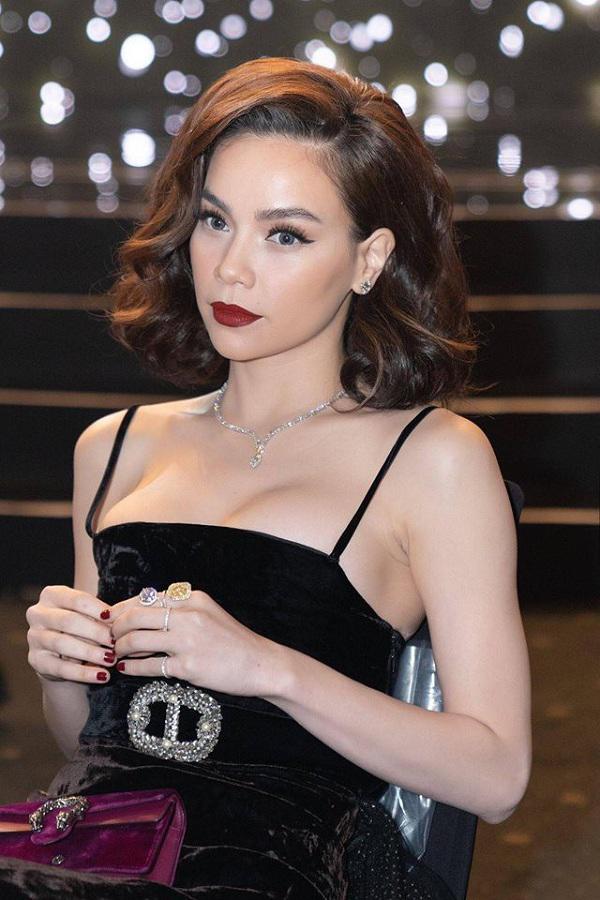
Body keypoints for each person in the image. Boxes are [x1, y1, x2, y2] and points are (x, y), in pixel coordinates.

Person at [2, 57, 531, 898]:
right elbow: (93, 748)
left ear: (368, 259)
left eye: (285, 234)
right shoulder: (115, 447)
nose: (232, 269)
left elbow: (496, 774)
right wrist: (62, 670)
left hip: (280, 868)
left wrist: (267, 667)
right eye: (215, 221)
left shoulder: (433, 457)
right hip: (96, 854)